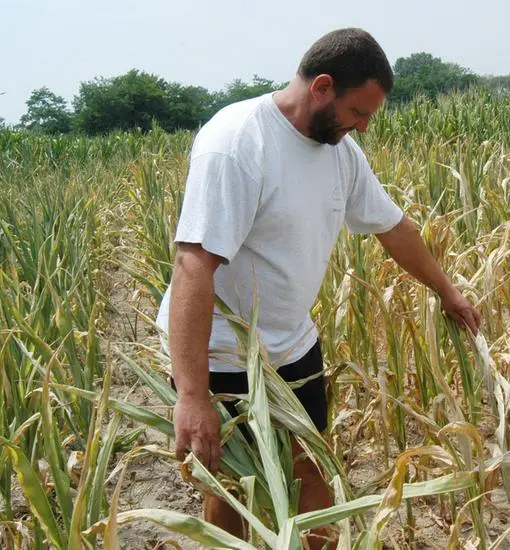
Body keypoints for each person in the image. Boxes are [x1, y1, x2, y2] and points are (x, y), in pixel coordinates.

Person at [154, 27, 482, 547]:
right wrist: (193, 396)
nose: (364, 128)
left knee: (312, 468)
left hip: (292, 344)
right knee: (233, 486)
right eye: (359, 113)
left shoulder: (340, 153)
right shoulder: (239, 142)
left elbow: (393, 229)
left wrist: (447, 290)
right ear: (322, 87)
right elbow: (194, 266)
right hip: (221, 355)